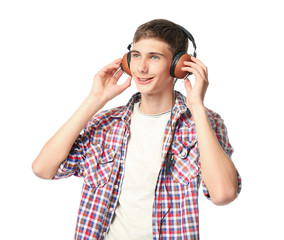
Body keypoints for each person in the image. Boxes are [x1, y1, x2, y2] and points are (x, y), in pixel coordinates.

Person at [32, 19, 241, 240]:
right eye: (137, 55)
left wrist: (197, 107)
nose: (141, 67)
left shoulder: (202, 123)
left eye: (154, 57)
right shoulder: (107, 124)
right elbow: (42, 168)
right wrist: (94, 100)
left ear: (179, 66)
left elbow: (223, 194)